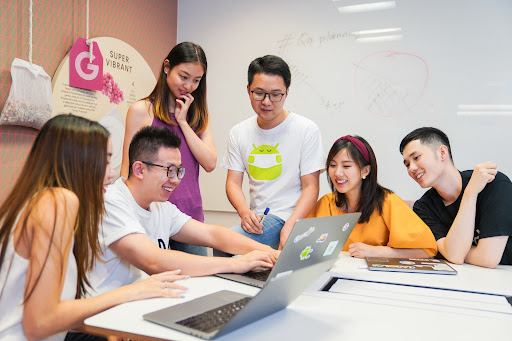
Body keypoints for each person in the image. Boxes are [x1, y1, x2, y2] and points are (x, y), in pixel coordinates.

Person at [0, 115, 187, 341]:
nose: (111, 173)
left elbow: (57, 313)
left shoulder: (46, 201)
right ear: (77, 160)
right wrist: (131, 292)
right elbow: (40, 323)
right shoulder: (58, 201)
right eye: (106, 160)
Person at [87, 126, 279, 297]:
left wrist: (268, 252)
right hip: (104, 314)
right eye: (169, 170)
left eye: (179, 171)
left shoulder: (161, 207)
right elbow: (154, 261)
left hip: (146, 298)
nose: (176, 179)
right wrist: (234, 264)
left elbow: (212, 234)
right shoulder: (111, 202)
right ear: (139, 170)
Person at [121, 42, 215, 256]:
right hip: (150, 214)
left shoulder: (200, 117)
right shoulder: (141, 110)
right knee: (151, 281)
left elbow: (210, 163)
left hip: (189, 215)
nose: (189, 85)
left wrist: (183, 122)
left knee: (197, 284)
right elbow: (127, 170)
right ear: (166, 67)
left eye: (196, 80)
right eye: (184, 76)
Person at [221, 55, 324, 250]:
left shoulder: (306, 129)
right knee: (224, 242)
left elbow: (311, 187)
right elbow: (233, 182)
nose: (267, 102)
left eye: (276, 94)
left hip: (291, 216)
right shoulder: (239, 132)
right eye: (259, 93)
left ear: (286, 93)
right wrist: (244, 212)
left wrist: (291, 224)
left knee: (226, 242)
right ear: (248, 90)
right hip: (259, 217)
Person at [307, 135, 437, 258]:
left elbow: (426, 250)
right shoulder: (326, 203)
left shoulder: (388, 202)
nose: (337, 173)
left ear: (365, 171)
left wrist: (377, 251)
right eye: (332, 165)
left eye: (346, 166)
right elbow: (304, 246)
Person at [400, 127, 512, 267]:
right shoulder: (423, 207)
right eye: (407, 164)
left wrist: (452, 250)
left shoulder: (492, 183)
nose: (412, 168)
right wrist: (470, 193)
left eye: (416, 158)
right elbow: (454, 256)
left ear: (442, 153)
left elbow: (487, 258)